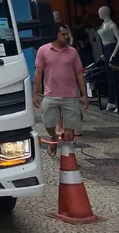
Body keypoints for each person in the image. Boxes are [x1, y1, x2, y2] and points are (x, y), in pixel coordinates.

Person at [34, 24, 89, 155]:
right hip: (50, 94)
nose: (67, 37)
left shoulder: (73, 52)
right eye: (63, 34)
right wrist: (35, 94)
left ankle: (68, 157)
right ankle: (54, 137)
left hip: (70, 96)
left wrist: (84, 95)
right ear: (56, 35)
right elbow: (38, 73)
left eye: (67, 34)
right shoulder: (43, 50)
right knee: (48, 123)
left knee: (70, 132)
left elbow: (79, 73)